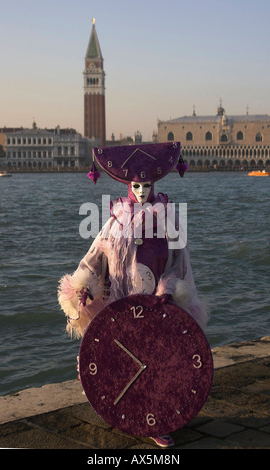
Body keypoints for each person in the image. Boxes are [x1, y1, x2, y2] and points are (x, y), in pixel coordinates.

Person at [58, 142, 208, 448]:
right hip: (121, 305)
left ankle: (159, 421)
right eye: (136, 186)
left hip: (157, 306)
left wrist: (173, 292)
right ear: (129, 185)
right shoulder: (114, 223)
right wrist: (84, 286)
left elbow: (181, 263)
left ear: (154, 184)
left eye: (147, 185)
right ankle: (130, 414)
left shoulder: (168, 222)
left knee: (159, 363)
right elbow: (93, 258)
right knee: (124, 363)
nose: (141, 192)